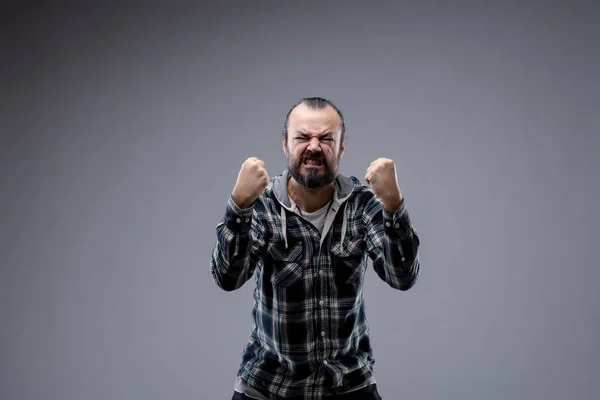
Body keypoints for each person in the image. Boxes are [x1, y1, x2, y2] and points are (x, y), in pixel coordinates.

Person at [210, 97, 421, 399]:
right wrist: (238, 206)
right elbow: (227, 278)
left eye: (325, 138)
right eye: (302, 137)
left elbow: (402, 277)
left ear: (341, 148)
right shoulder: (262, 204)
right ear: (285, 144)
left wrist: (394, 205)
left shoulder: (363, 204)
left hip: (349, 385)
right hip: (268, 387)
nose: (313, 147)